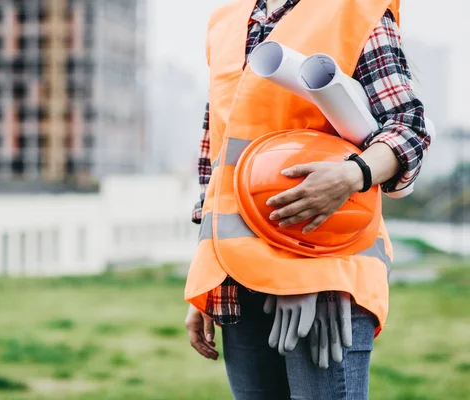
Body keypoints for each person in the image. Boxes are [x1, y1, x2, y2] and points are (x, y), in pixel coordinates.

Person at [184, 0, 431, 399]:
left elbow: (408, 128)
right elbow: (216, 165)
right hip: (238, 277)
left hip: (324, 269)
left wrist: (356, 173)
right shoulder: (225, 22)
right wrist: (206, 277)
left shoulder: (351, 10)